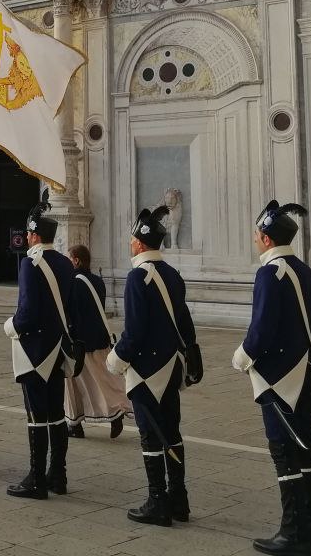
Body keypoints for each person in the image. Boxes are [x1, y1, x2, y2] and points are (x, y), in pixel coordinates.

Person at [232, 201, 311, 556]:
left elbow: (261, 331)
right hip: (303, 370)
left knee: (284, 453)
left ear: (265, 236)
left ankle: (293, 533)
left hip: (278, 379)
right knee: (306, 451)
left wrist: (241, 357)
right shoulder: (303, 270)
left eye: (258, 235)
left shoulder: (270, 273)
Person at [106, 205, 201, 527]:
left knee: (150, 435)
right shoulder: (171, 275)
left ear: (139, 243)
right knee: (171, 430)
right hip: (172, 365)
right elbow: (183, 319)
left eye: (132, 238)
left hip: (146, 368)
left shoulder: (138, 277)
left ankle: (157, 500)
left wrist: (117, 359)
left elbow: (135, 330)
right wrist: (191, 349)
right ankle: (179, 498)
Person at [4, 190, 76, 499]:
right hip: (58, 347)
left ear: (33, 235)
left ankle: (36, 477)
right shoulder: (64, 263)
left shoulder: (29, 265)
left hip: (34, 351)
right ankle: (57, 475)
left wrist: (11, 326)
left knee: (36, 414)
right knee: (57, 413)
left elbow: (28, 313)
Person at [64, 244, 130, 439]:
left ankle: (74, 424)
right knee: (106, 380)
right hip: (100, 338)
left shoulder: (74, 283)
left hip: (80, 343)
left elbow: (73, 314)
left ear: (76, 260)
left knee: (71, 383)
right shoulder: (98, 282)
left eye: (70, 258)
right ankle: (115, 412)